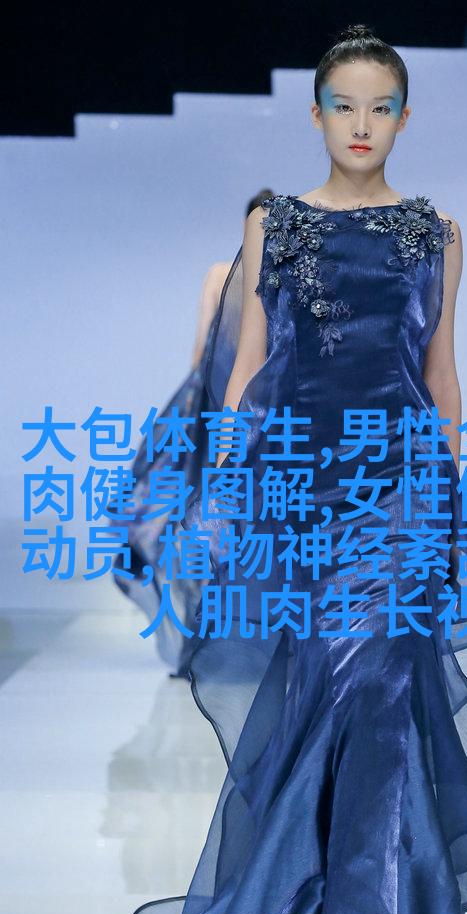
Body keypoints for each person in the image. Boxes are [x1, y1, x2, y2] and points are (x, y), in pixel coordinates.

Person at [125, 23, 467, 914]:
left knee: (380, 683)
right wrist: (224, 488)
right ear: (315, 114)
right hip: (302, 486)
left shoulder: (437, 232)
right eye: (344, 105)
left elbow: (441, 373)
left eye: (380, 106)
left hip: (402, 487)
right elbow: (252, 366)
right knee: (318, 689)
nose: (361, 123)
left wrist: (450, 497)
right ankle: (305, 913)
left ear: (404, 118)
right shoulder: (279, 225)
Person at [107, 189, 274, 677]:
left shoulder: (221, 274)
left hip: (215, 410)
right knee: (244, 527)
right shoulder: (271, 278)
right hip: (251, 411)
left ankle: (205, 645)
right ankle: (235, 647)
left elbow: (201, 351)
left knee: (203, 524)